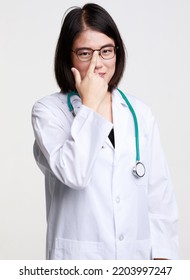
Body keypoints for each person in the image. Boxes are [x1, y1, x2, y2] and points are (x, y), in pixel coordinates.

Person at [31, 3, 179, 260]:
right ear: (69, 57)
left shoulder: (139, 113)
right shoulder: (48, 112)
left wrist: (164, 264)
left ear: (117, 52)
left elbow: (159, 199)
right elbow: (74, 174)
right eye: (85, 53)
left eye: (106, 51)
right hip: (78, 262)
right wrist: (89, 105)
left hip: (135, 260)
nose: (98, 63)